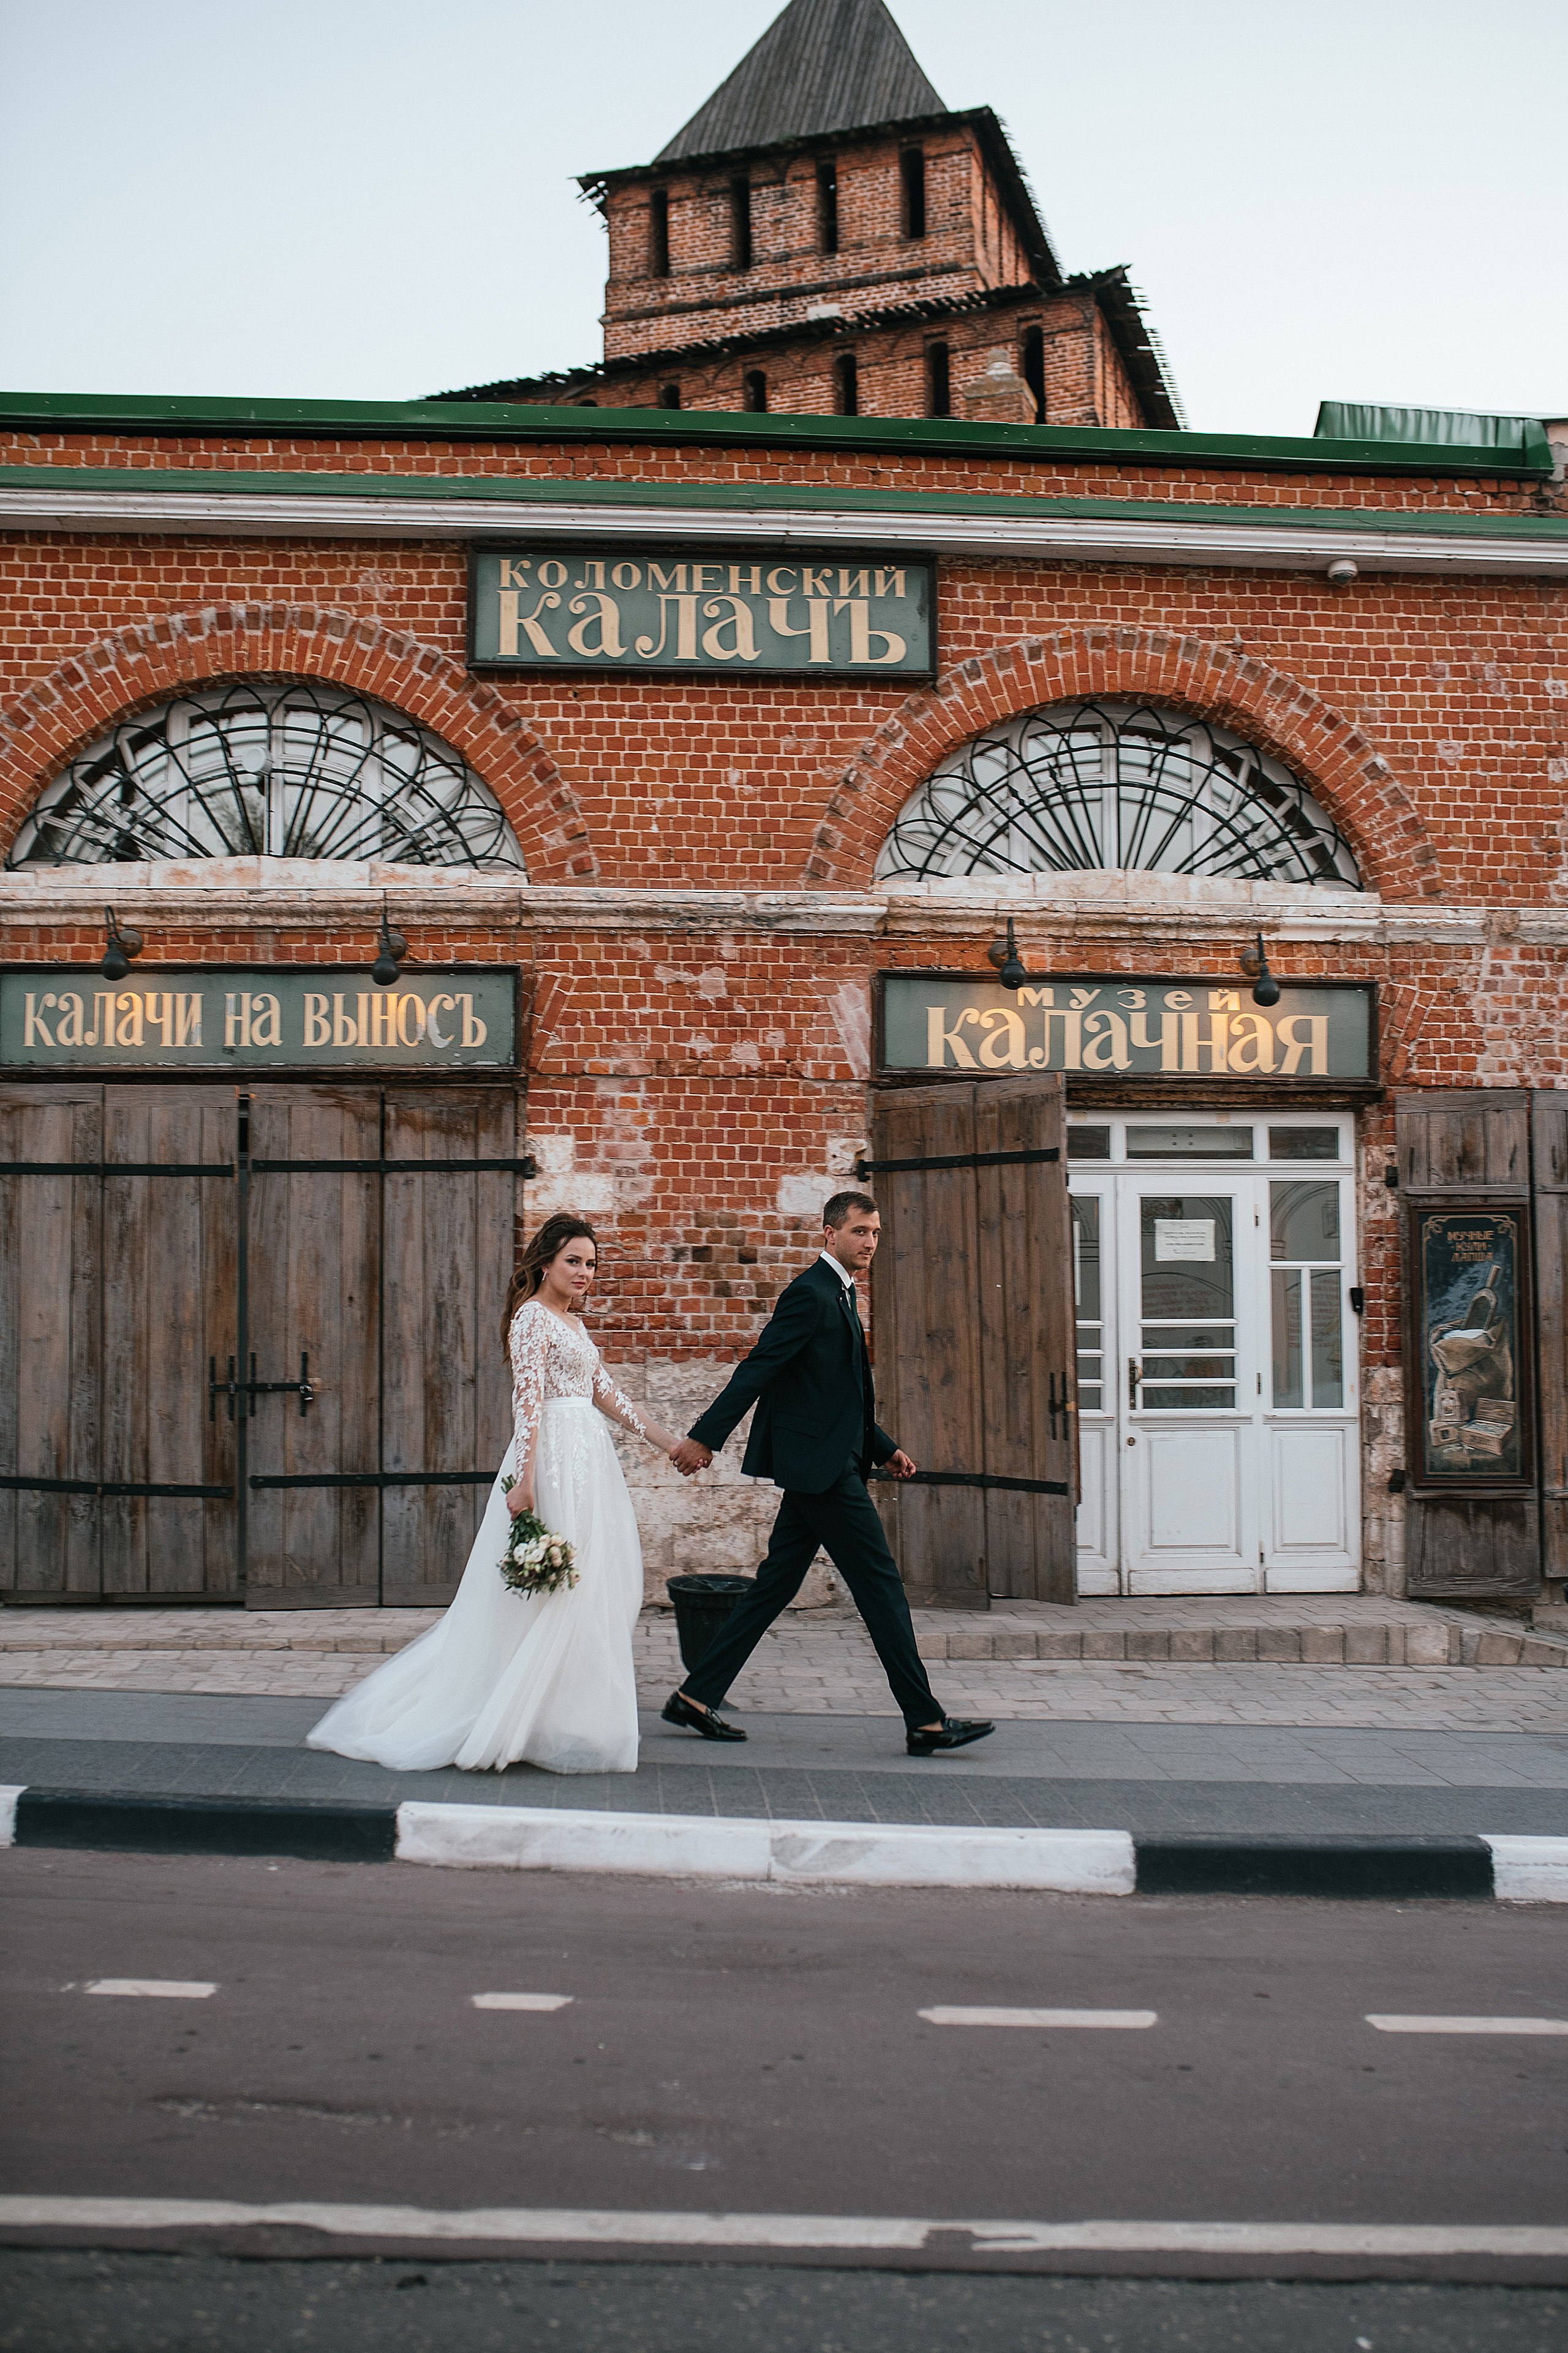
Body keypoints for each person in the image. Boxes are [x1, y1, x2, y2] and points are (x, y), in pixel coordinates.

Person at [307, 1215, 686, 1776]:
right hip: (551, 1461)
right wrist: (525, 1481)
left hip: (588, 1461)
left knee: (585, 1585)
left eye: (591, 1263)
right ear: (546, 1263)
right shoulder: (532, 1318)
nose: (584, 1272)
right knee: (555, 1588)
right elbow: (527, 1402)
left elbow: (605, 1392)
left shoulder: (573, 1323)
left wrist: (669, 1441)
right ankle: (506, 1714)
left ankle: (550, 1716)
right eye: (573, 1261)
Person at [662, 1191, 994, 1756]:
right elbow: (760, 1368)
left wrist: (883, 1448)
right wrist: (704, 1437)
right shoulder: (811, 1293)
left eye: (876, 1233)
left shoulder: (842, 1292)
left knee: (775, 1586)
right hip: (825, 1472)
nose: (870, 1242)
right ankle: (926, 1720)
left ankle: (695, 1696)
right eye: (861, 1231)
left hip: (824, 1464)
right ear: (830, 1233)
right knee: (882, 1587)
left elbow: (840, 1392)